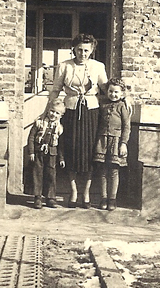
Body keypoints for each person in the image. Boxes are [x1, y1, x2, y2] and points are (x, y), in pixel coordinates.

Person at [48, 33, 108, 208]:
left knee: (89, 153)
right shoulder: (64, 66)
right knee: (71, 151)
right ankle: (73, 192)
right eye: (80, 50)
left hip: (91, 112)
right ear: (73, 49)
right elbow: (56, 90)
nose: (83, 53)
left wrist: (124, 98)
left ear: (92, 50)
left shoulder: (98, 66)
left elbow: (106, 88)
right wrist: (48, 111)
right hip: (71, 111)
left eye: (87, 50)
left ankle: (86, 193)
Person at [94, 78, 131, 211]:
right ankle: (103, 198)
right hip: (102, 140)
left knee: (114, 171)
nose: (113, 94)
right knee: (102, 171)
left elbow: (126, 126)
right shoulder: (102, 104)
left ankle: (112, 199)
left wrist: (124, 143)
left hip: (116, 142)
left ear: (121, 94)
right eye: (110, 91)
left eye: (116, 92)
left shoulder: (122, 106)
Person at [27, 98, 66, 209]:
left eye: (57, 113)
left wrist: (61, 158)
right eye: (52, 111)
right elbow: (31, 138)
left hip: (52, 154)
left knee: (51, 175)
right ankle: (37, 197)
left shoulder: (59, 128)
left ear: (61, 115)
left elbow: (61, 145)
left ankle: (50, 198)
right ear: (48, 110)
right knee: (37, 174)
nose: (53, 114)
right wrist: (31, 152)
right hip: (39, 152)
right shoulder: (39, 123)